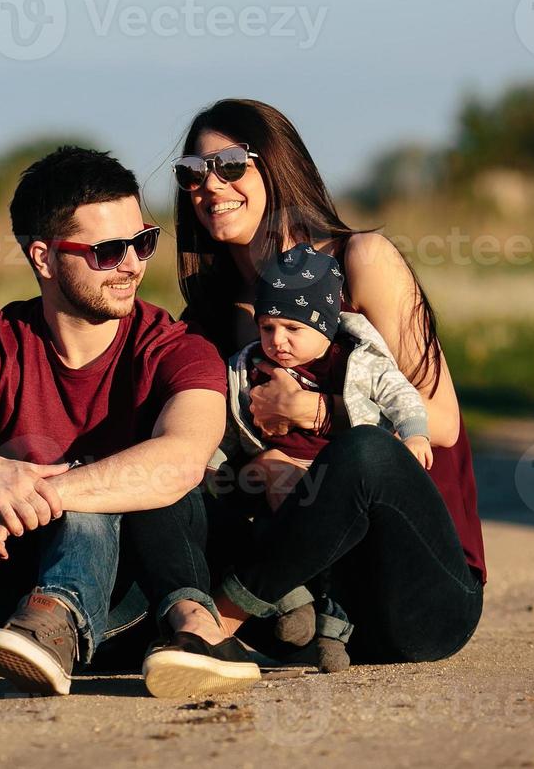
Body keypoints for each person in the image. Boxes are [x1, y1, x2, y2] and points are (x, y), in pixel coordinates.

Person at [0, 145, 260, 698]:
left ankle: (56, 618)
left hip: (118, 609)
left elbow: (181, 460)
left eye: (143, 242)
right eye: (108, 250)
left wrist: (40, 486)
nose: (133, 263)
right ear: (43, 258)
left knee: (105, 482)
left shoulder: (178, 349)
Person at [170, 99, 487, 670]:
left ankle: (214, 623)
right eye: (192, 172)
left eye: (231, 164)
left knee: (363, 452)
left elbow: (440, 424)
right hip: (301, 614)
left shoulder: (361, 260)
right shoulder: (208, 322)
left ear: (276, 164)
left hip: (416, 599)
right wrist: (259, 467)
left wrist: (317, 413)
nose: (209, 185)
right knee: (171, 465)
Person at [209, 240, 434, 668]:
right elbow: (227, 424)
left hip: (340, 477)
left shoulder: (356, 362)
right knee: (261, 523)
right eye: (267, 327)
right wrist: (215, 464)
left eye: (293, 329)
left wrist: (415, 434)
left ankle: (333, 631)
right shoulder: (246, 367)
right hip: (273, 479)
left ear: (327, 325)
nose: (278, 341)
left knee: (340, 554)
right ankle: (290, 600)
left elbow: (402, 396)